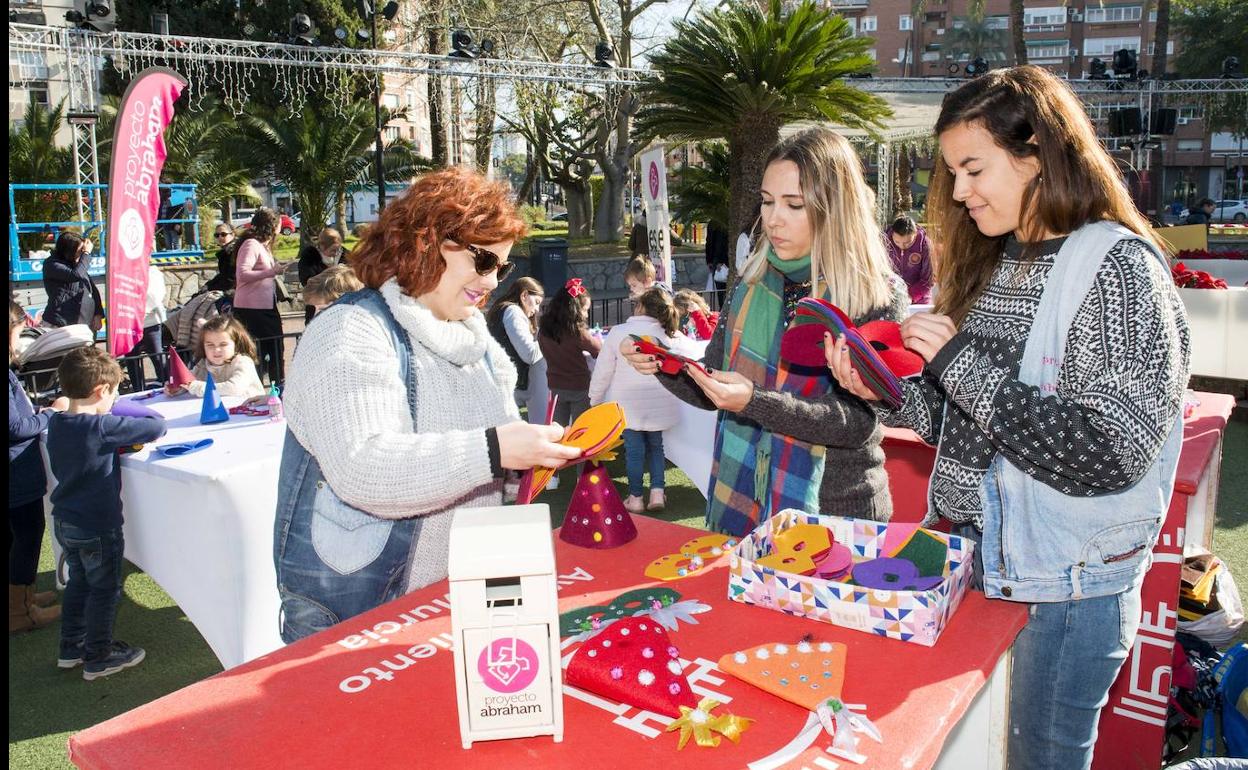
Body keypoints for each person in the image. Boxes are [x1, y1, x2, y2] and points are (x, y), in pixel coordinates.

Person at [826, 66, 1190, 770]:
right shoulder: (1004, 261)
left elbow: (1109, 452)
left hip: (1062, 592)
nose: (958, 193)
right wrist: (886, 390)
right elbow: (969, 428)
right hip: (983, 568)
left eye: (973, 169)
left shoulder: (1118, 269)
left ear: (1037, 157)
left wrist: (959, 363)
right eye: (951, 173)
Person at [274, 167, 580, 642]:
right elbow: (364, 468)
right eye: (483, 261)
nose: (492, 280)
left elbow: (487, 462)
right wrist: (497, 450)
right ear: (427, 240)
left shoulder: (477, 341)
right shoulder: (350, 331)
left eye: (502, 267)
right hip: (362, 607)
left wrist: (527, 461)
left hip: (457, 599)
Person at [622, 127, 908, 536]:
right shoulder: (751, 280)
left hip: (840, 514)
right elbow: (714, 380)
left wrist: (753, 402)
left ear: (836, 207)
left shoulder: (875, 293)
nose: (773, 219)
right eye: (767, 201)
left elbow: (857, 422)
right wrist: (662, 363)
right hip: (745, 505)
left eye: (794, 205)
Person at [47, 346, 167, 679]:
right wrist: (122, 406)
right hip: (98, 525)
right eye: (113, 393)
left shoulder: (58, 423)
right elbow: (157, 426)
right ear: (102, 390)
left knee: (79, 584)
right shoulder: (101, 427)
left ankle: (71, 647)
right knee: (104, 590)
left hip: (66, 520)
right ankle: (99, 655)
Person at [589, 287, 691, 513]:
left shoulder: (618, 332)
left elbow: (603, 371)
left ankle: (635, 497)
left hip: (628, 404)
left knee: (634, 451)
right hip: (661, 401)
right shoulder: (672, 335)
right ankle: (657, 492)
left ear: (641, 306)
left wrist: (594, 399)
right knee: (656, 447)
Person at [9, 299, 68, 634]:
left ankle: (21, 597)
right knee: (27, 536)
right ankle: (20, 611)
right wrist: (49, 413)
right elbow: (16, 427)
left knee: (17, 537)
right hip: (16, 471)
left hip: (17, 469)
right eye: (17, 333)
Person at [233, 208, 289, 385]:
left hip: (265, 305)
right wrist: (271, 271)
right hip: (252, 309)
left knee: (274, 348)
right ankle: (263, 386)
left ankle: (277, 386)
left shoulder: (262, 246)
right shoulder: (251, 245)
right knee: (260, 350)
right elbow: (242, 274)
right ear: (273, 225)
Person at [538, 278, 602, 432]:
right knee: (581, 431)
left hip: (555, 385)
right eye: (585, 310)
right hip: (579, 387)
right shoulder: (577, 332)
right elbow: (598, 350)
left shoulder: (544, 330)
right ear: (574, 309)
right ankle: (582, 456)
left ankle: (558, 455)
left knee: (557, 430)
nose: (586, 315)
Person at [164, 315, 265, 400]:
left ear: (236, 344)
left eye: (223, 344)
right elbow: (189, 380)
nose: (216, 350)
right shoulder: (204, 363)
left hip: (249, 412)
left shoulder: (243, 362)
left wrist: (195, 387)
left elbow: (234, 388)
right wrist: (179, 387)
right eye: (210, 345)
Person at [485, 277, 546, 417]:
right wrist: (547, 339)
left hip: (502, 385)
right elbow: (529, 354)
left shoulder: (503, 310)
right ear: (524, 295)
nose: (536, 310)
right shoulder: (513, 312)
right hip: (508, 389)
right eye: (536, 302)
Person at [41, 232, 103, 332]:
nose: (81, 254)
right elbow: (75, 275)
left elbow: (92, 290)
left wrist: (98, 314)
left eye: (83, 251)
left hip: (85, 324)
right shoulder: (52, 264)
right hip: (62, 324)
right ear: (69, 250)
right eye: (80, 251)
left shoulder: (77, 264)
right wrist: (86, 254)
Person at [124, 264, 168, 389]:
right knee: (132, 359)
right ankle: (137, 389)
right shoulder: (122, 273)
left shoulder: (153, 272)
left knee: (158, 357)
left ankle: (166, 386)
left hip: (150, 322)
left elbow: (155, 296)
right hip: (129, 322)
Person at [297, 228, 350, 323]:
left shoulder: (345, 255)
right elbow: (308, 280)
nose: (336, 253)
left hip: (342, 304)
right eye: (333, 250)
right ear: (322, 246)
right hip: (318, 303)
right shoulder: (310, 256)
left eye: (338, 249)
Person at [884, 215, 934, 304]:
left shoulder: (925, 245)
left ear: (915, 234)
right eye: (897, 242)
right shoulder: (884, 241)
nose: (902, 246)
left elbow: (928, 279)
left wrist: (911, 296)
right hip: (890, 298)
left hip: (919, 300)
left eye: (908, 243)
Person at [203, 224, 238, 293]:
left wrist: (210, 288)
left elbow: (231, 279)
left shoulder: (233, 252)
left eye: (223, 234)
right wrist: (208, 285)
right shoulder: (225, 252)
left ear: (232, 235)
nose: (220, 237)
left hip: (236, 292)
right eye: (217, 235)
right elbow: (223, 275)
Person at [705, 222, 731, 304]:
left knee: (721, 290)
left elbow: (710, 242)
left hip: (719, 260)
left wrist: (710, 260)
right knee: (722, 289)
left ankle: (723, 307)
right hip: (720, 260)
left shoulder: (716, 224)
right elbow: (711, 242)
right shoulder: (716, 224)